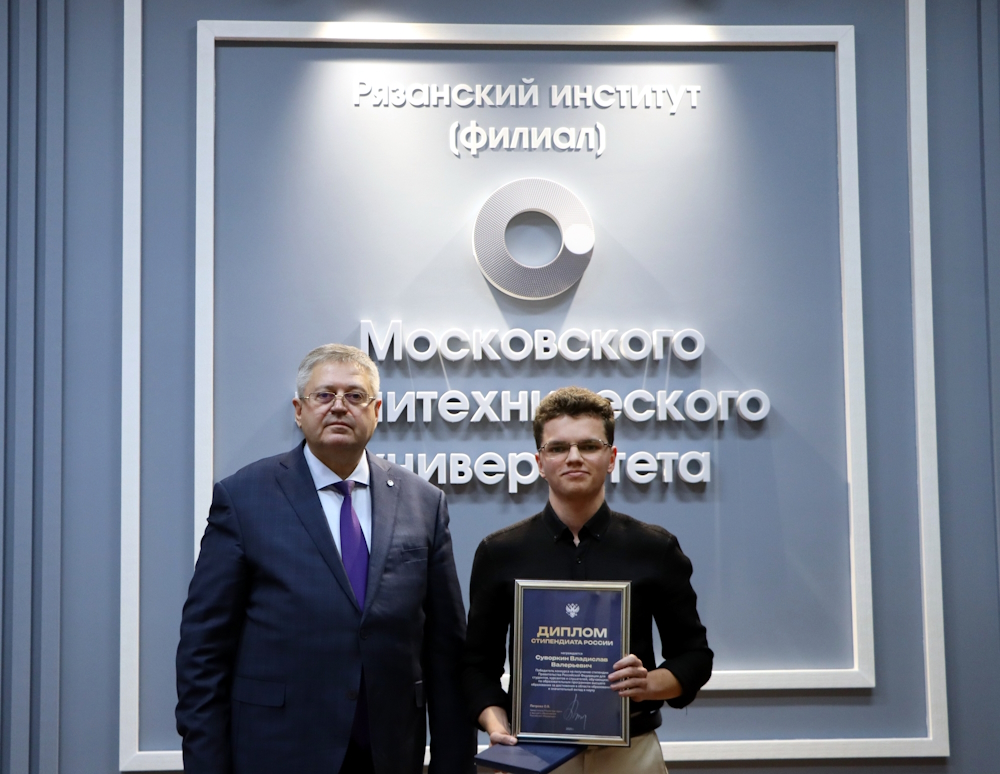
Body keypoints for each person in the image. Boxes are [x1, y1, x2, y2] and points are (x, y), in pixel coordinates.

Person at [176, 344, 475, 774]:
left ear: (376, 411)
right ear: (299, 411)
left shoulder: (424, 502)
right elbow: (203, 651)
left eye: (354, 396)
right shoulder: (243, 498)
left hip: (389, 753)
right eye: (324, 395)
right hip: (278, 752)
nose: (339, 406)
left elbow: (446, 652)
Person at [463, 386, 713, 774]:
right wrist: (498, 728)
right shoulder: (500, 552)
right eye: (558, 447)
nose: (574, 457)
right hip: (533, 752)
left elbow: (695, 657)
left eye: (589, 445)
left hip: (631, 754)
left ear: (611, 458)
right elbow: (476, 666)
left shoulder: (655, 548)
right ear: (540, 461)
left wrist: (648, 684)